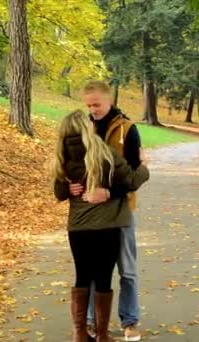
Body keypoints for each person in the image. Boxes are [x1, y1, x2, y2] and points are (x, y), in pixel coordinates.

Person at [52, 110, 149, 342]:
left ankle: (80, 333)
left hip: (77, 228)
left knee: (83, 277)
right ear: (88, 129)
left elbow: (58, 191)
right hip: (107, 225)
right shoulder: (104, 154)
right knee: (103, 277)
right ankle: (103, 334)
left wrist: (69, 189)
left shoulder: (62, 156)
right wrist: (144, 166)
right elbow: (131, 180)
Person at [78, 81, 144, 342]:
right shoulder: (82, 128)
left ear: (109, 101)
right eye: (88, 105)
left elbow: (135, 174)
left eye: (97, 104)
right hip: (91, 211)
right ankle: (92, 322)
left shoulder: (128, 129)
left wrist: (109, 192)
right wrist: (73, 185)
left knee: (127, 270)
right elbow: (73, 164)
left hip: (120, 209)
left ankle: (130, 322)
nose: (92, 109)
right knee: (93, 270)